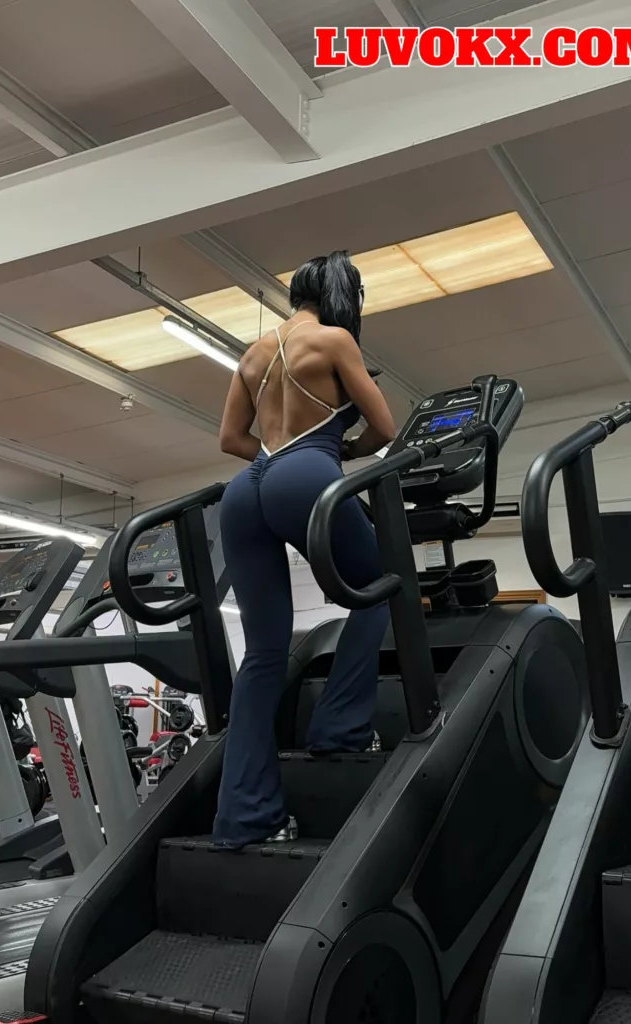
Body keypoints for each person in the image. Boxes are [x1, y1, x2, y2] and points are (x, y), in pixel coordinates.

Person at [213, 250, 396, 849]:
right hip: (307, 471)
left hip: (246, 489)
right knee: (380, 588)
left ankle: (246, 819)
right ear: (344, 294)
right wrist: (334, 455)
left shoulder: (253, 353)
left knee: (263, 653)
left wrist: (276, 465)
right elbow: (385, 429)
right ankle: (340, 728)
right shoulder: (334, 340)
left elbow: (230, 439)